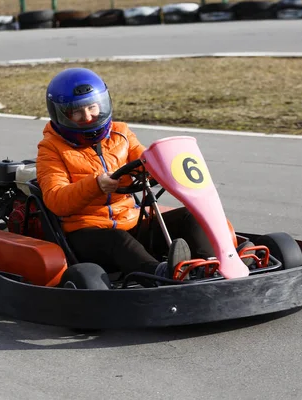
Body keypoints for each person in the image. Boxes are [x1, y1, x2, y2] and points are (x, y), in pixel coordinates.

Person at [35, 68, 216, 280]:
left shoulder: (121, 134)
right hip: (84, 233)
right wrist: (96, 185)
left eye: (92, 107)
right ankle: (160, 274)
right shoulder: (51, 149)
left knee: (189, 215)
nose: (88, 117)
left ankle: (211, 265)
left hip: (131, 222)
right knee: (118, 240)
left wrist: (160, 167)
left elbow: (145, 160)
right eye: (77, 112)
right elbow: (56, 200)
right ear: (61, 114)